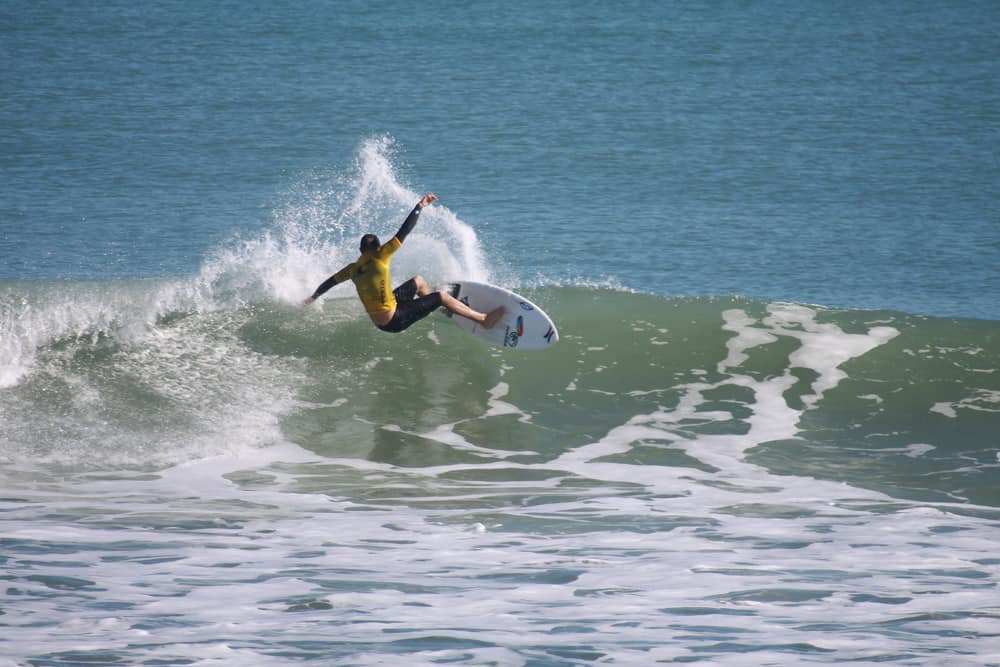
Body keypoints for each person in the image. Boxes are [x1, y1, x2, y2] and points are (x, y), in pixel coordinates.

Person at [303, 193, 504, 333]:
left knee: (418, 281)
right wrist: (420, 206)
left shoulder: (352, 268)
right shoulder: (382, 256)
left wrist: (313, 297)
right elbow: (404, 230)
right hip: (393, 320)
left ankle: (437, 306)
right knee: (442, 295)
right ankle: (483, 320)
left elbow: (329, 283)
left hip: (384, 314)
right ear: (379, 247)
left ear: (361, 251)